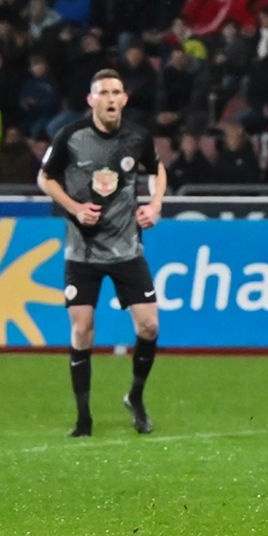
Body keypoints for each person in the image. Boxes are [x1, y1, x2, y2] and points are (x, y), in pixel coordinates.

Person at [37, 69, 167, 437]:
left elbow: (158, 169)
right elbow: (45, 177)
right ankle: (84, 418)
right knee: (82, 330)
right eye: (103, 93)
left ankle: (135, 397)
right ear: (91, 100)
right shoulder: (71, 136)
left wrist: (156, 204)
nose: (111, 98)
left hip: (126, 248)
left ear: (124, 99)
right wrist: (74, 208)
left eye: (116, 92)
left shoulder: (137, 137)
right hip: (83, 252)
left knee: (150, 325)